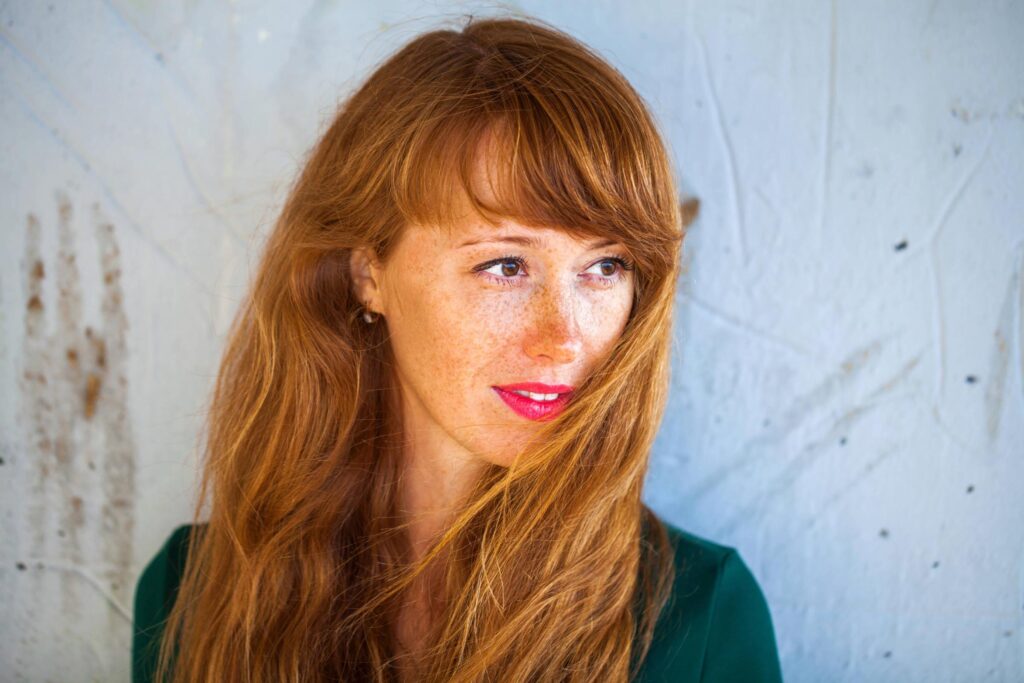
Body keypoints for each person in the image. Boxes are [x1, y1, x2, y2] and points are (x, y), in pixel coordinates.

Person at [132, 14, 783, 683]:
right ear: (368, 274)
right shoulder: (192, 592)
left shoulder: (701, 616)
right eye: (505, 265)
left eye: (604, 268)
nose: (563, 336)